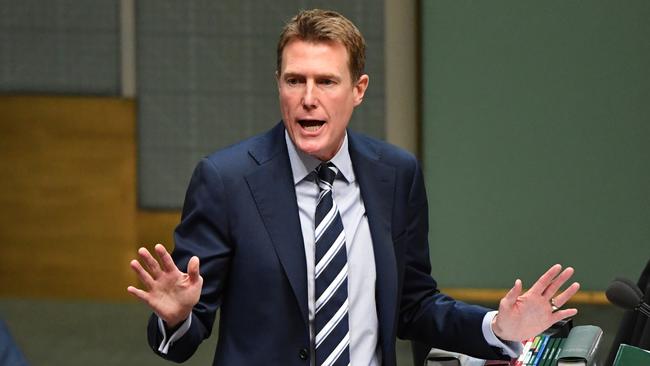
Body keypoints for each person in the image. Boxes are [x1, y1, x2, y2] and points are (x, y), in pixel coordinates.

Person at [127, 9, 580, 366]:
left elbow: (414, 305)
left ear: (358, 89)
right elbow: (178, 342)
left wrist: (499, 327)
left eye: (326, 81)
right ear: (279, 86)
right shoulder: (226, 180)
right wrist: (178, 316)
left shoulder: (395, 175)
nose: (309, 97)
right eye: (294, 81)